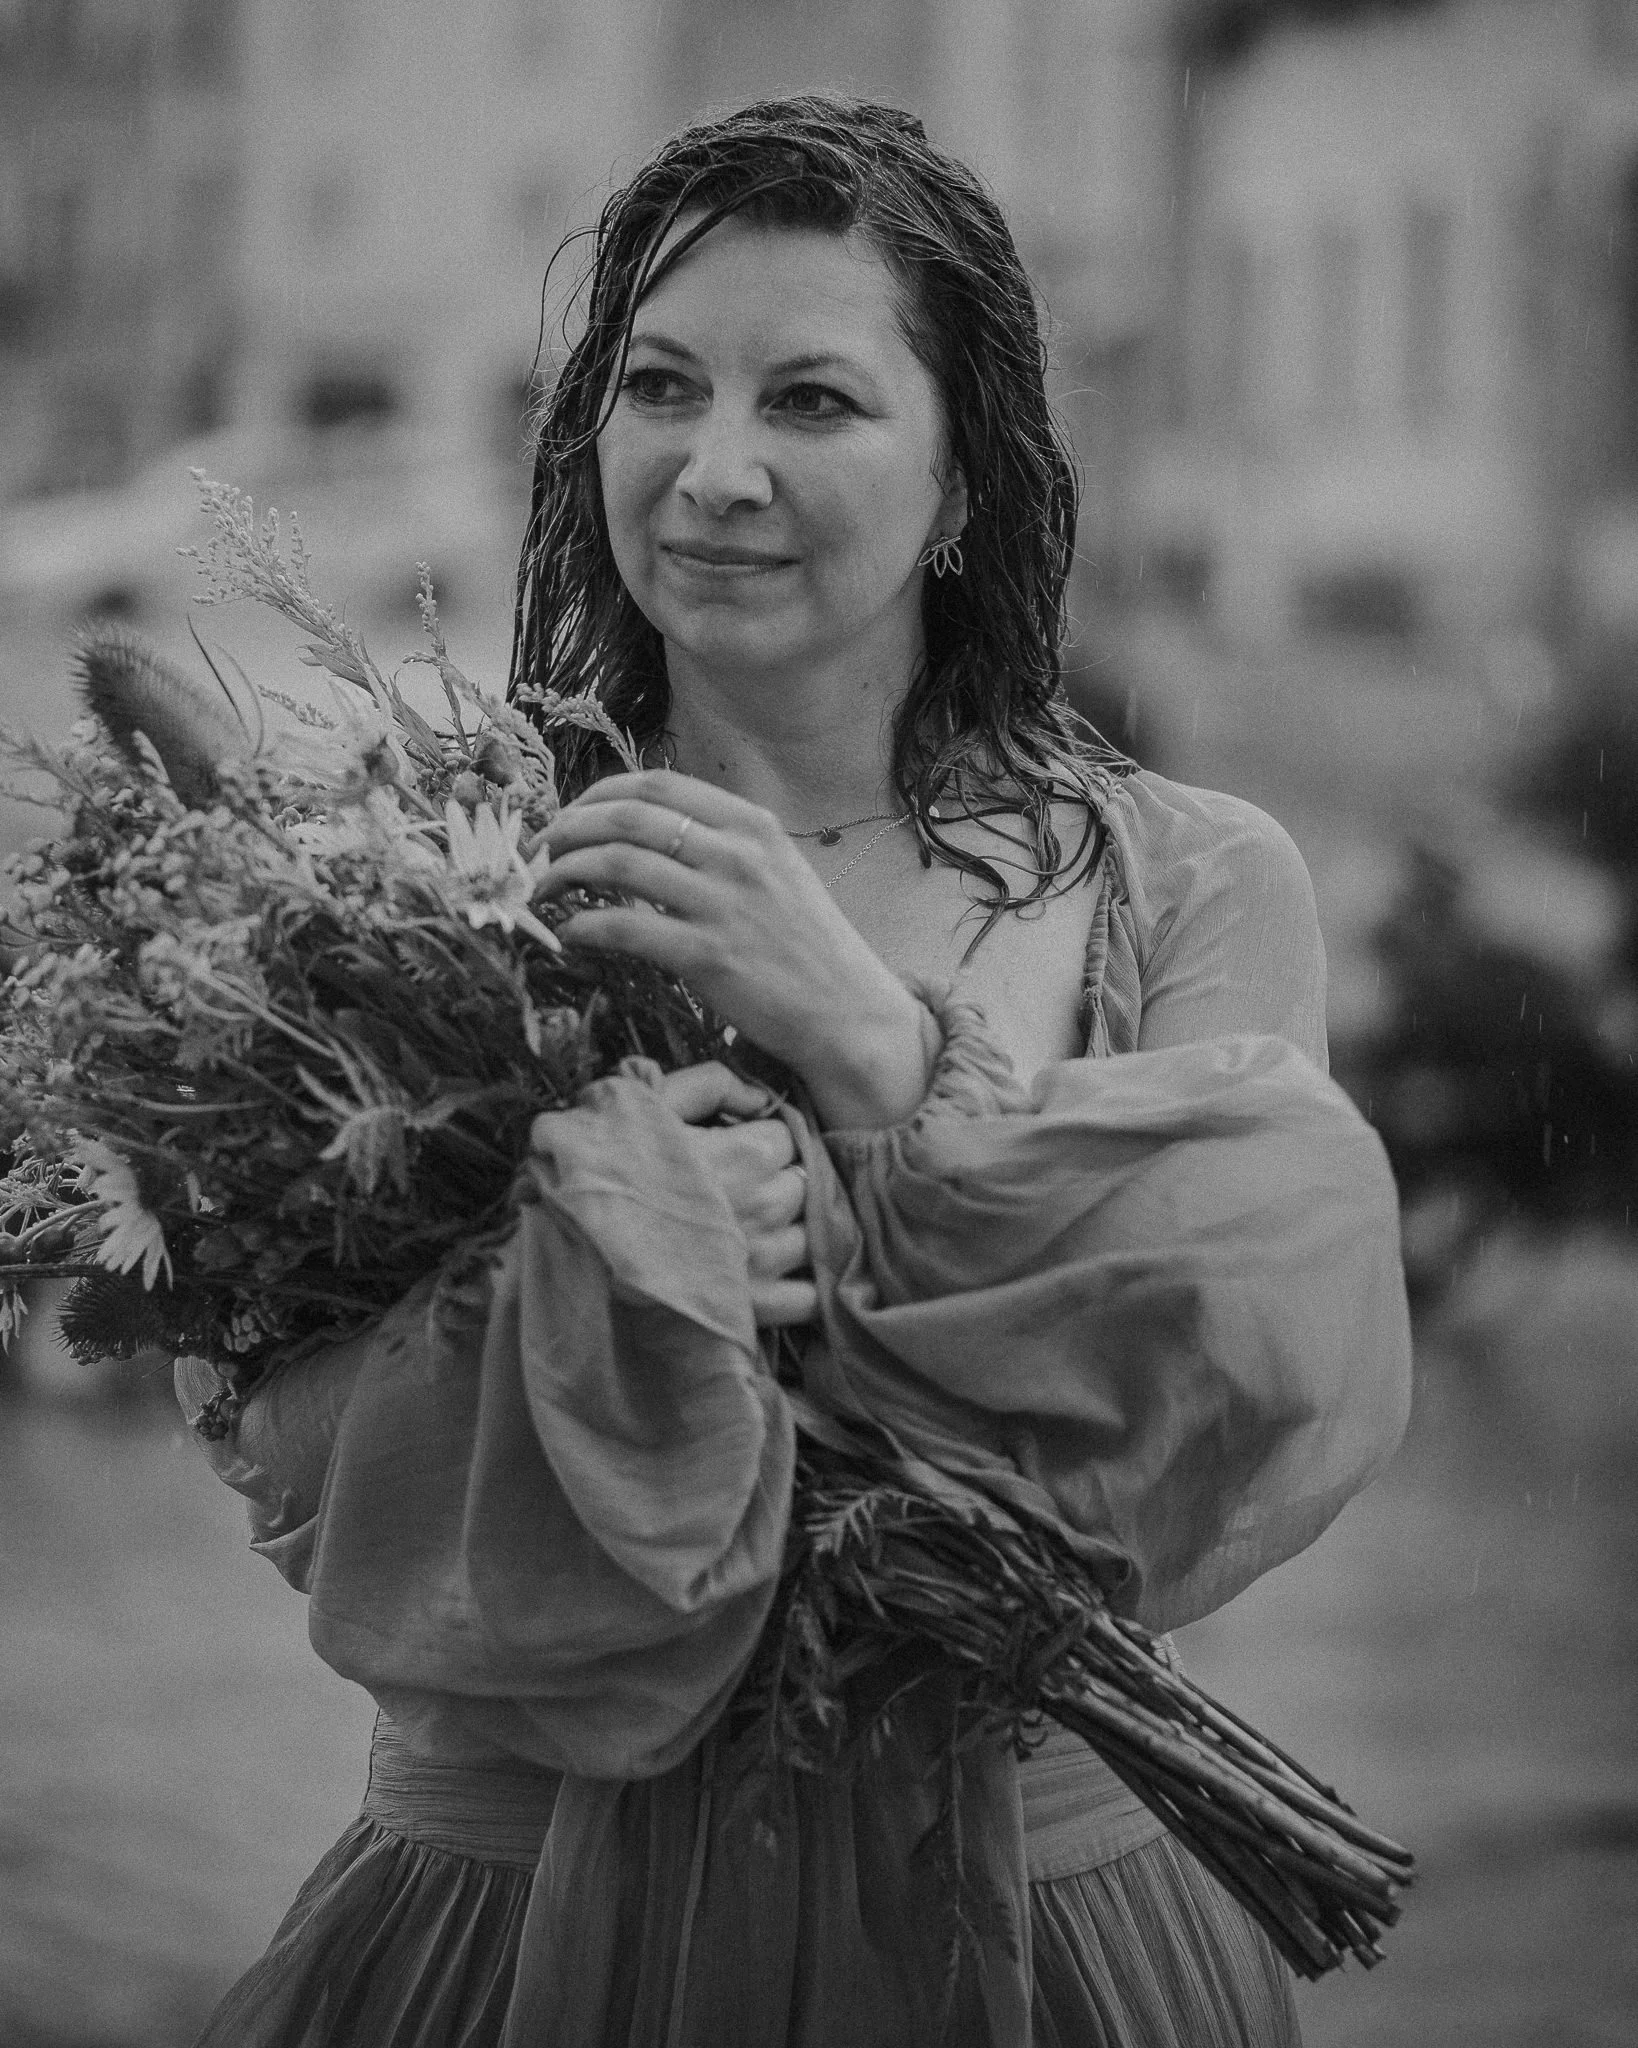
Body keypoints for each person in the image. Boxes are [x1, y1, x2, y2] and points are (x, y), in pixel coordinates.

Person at [180, 95, 1411, 2046]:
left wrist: (874, 1051)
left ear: (964, 482)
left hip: (1046, 1920)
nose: (715, 466)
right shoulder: (415, 869)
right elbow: (284, 1464)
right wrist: (595, 1289)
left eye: (815, 400)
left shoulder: (1186, 881)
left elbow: (1258, 1385)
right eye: (659, 384)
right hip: (504, 1913)